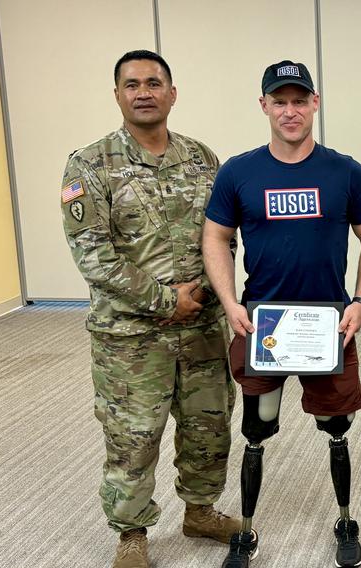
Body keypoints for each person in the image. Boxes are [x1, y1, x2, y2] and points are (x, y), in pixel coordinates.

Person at [201, 60, 361, 568]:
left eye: (299, 100)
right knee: (257, 429)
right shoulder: (239, 171)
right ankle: (248, 528)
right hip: (262, 325)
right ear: (263, 106)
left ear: (315, 104)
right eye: (279, 101)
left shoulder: (345, 171)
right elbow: (216, 236)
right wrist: (229, 301)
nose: (290, 111)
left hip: (330, 324)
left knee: (335, 425)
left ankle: (345, 518)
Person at [61, 50, 239, 568]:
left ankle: (201, 510)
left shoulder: (203, 159)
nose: (144, 92)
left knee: (209, 425)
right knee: (133, 437)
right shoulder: (89, 165)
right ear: (117, 94)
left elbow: (224, 238)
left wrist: (204, 294)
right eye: (132, 84)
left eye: (154, 83)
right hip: (130, 337)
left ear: (172, 93)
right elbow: (92, 253)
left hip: (202, 326)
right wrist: (166, 300)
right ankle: (132, 534)